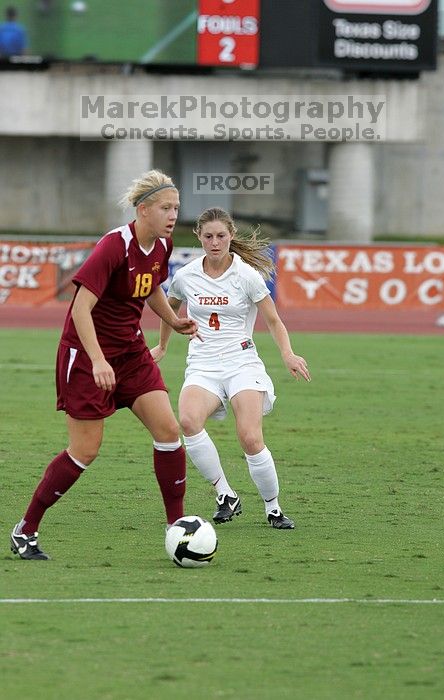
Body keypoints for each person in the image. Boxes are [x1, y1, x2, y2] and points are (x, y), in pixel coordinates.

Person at [10, 169, 198, 560]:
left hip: (130, 354)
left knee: (168, 432)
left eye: (176, 208)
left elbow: (152, 290)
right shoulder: (114, 246)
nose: (173, 215)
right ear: (143, 209)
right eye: (166, 208)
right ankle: (26, 529)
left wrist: (173, 320)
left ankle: (176, 529)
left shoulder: (162, 246)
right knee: (85, 450)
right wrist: (97, 360)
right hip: (86, 357)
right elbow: (80, 308)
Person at [152, 207, 310, 530]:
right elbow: (170, 307)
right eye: (208, 236)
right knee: (188, 420)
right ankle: (225, 493)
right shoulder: (186, 276)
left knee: (250, 437)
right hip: (203, 363)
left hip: (241, 362)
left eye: (221, 236)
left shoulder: (247, 276)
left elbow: (273, 320)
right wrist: (164, 345)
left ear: (231, 236)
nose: (214, 242)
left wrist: (288, 354)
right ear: (198, 236)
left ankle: (273, 508)